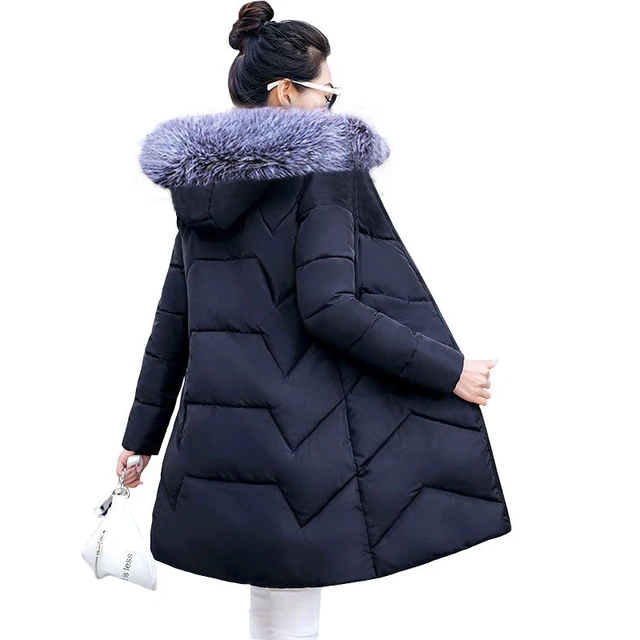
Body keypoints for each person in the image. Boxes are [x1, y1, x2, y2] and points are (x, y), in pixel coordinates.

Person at [116, 2, 511, 639]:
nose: (331, 105)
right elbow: (331, 308)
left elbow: (175, 314)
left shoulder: (200, 181)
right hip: (304, 436)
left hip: (225, 436)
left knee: (272, 598)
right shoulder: (321, 168)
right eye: (327, 91)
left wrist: (141, 436)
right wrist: (450, 371)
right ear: (285, 92)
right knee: (292, 604)